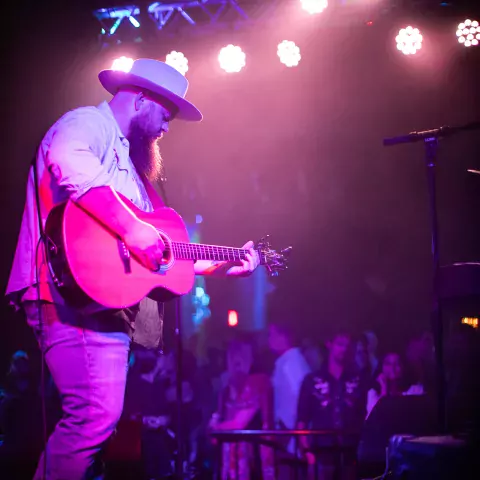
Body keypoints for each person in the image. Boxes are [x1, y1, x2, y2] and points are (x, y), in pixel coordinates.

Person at [6, 58, 260, 480]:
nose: (166, 128)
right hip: (65, 291)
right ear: (141, 99)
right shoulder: (87, 123)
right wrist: (129, 227)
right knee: (92, 416)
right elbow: (66, 158)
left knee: (97, 423)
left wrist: (220, 268)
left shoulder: (133, 174)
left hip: (99, 300)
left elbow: (155, 253)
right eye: (166, 114)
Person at [297, 331, 367, 480]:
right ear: (329, 344)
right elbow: (301, 419)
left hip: (350, 454)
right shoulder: (312, 380)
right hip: (321, 454)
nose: (344, 349)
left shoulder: (358, 380)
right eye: (340, 344)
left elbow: (364, 416)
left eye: (348, 346)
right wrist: (308, 453)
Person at [365, 352, 424, 419]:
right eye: (388, 363)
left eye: (397, 363)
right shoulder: (373, 393)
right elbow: (373, 419)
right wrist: (384, 390)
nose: (392, 367)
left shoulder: (415, 390)